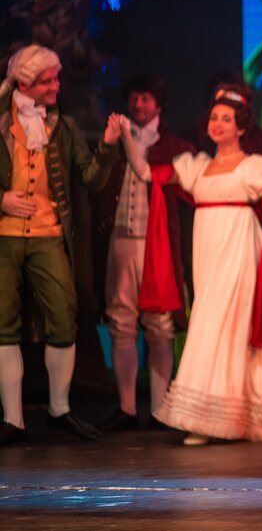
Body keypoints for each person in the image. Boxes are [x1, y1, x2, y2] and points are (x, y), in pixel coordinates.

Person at [148, 85, 262, 445]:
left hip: (240, 250)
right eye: (214, 118)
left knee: (220, 324)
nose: (217, 124)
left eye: (226, 119)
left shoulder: (254, 166)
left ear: (240, 127)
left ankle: (206, 420)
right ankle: (250, 413)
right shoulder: (198, 166)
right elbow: (147, 174)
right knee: (214, 322)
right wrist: (125, 136)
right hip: (207, 252)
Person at [0, 44, 121, 445]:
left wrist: (107, 145)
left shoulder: (63, 127)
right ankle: (13, 419)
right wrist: (2, 199)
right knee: (4, 325)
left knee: (64, 319)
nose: (56, 86)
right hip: (5, 236)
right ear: (24, 84)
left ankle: (59, 409)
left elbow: (91, 178)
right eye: (47, 81)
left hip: (49, 235)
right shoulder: (1, 122)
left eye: (56, 79)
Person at [94, 73, 195, 432]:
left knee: (159, 324)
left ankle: (159, 407)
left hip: (158, 244)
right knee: (121, 321)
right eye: (134, 99)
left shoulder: (176, 147)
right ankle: (126, 407)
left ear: (159, 104)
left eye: (146, 99)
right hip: (121, 240)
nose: (139, 105)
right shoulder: (114, 141)